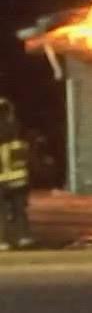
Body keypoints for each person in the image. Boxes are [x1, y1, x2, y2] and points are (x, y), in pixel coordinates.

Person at [0, 99, 29, 251]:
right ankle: (24, 237)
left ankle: (3, 240)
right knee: (19, 209)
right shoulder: (17, 135)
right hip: (19, 179)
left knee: (1, 212)